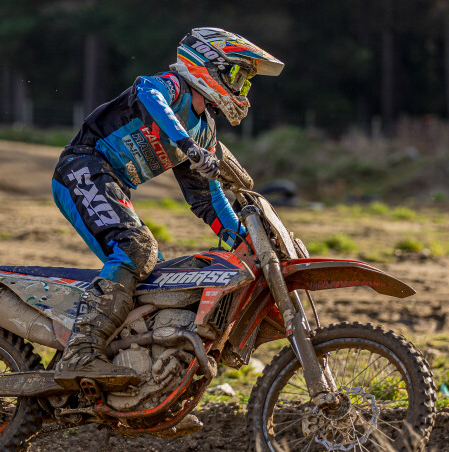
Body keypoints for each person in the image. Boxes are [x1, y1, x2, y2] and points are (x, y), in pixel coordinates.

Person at [51, 27, 284, 386]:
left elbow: (208, 198)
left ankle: (133, 371)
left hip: (112, 184)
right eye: (238, 76)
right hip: (81, 167)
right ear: (211, 65)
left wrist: (245, 238)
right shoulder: (171, 86)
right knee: (136, 249)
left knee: (162, 281)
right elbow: (149, 94)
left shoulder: (204, 131)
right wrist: (187, 146)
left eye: (246, 82)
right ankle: (80, 355)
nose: (242, 89)